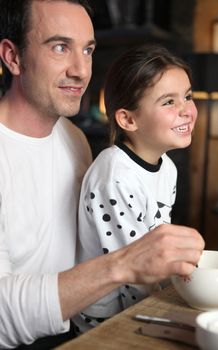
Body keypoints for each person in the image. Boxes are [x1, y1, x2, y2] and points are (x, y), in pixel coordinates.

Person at [0, 1, 204, 349]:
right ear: (12, 56)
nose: (82, 70)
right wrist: (125, 264)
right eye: (60, 47)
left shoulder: (74, 140)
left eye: (89, 49)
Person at [75, 44, 198, 331]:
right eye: (169, 102)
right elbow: (133, 272)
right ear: (128, 119)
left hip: (146, 297)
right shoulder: (114, 177)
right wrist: (171, 311)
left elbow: (155, 245)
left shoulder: (167, 167)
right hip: (107, 319)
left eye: (188, 96)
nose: (187, 111)